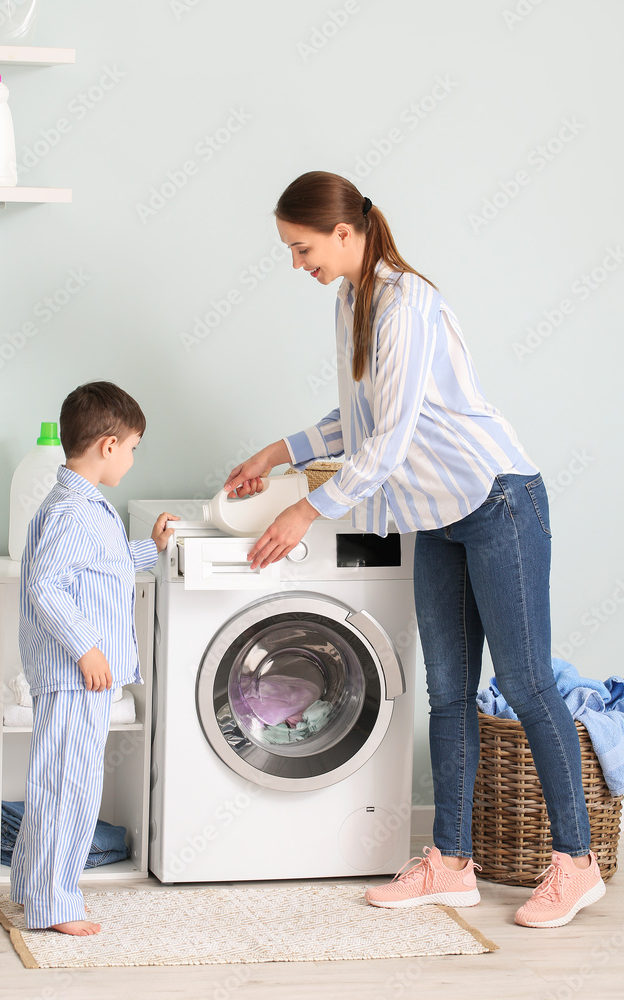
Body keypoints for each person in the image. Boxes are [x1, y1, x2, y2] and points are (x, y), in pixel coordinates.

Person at [224, 170, 605, 929]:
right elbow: (357, 417)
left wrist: (306, 509)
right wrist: (278, 451)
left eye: (302, 249)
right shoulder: (350, 300)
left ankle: (576, 863)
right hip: (435, 514)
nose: (298, 265)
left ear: (343, 233)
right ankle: (450, 864)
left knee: (526, 683)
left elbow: (389, 440)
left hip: (496, 497)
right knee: (447, 692)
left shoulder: (407, 303)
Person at [10, 381, 178, 935]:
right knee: (68, 789)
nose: (131, 458)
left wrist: (150, 548)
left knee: (63, 784)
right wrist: (86, 648)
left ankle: (37, 892)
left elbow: (102, 567)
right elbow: (48, 586)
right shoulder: (70, 513)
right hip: (71, 675)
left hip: (78, 678)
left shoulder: (85, 508)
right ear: (108, 445)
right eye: (132, 447)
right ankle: (53, 904)